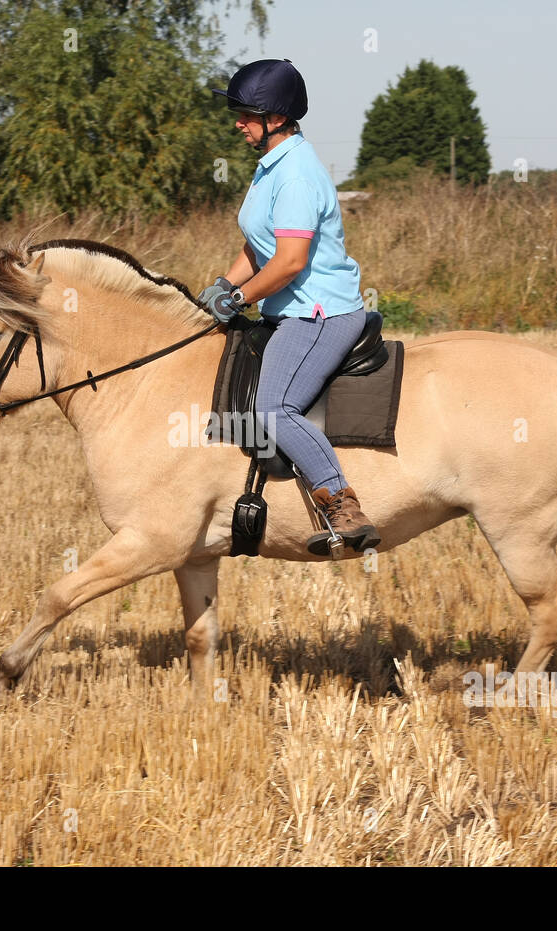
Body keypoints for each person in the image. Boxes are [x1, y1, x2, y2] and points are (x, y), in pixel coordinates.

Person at [198, 58, 380, 557]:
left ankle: (342, 504)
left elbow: (291, 261)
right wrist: (218, 287)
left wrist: (239, 298)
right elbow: (258, 247)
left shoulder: (296, 175)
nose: (238, 121)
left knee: (274, 407)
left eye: (246, 113)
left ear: (275, 118)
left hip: (319, 313)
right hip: (287, 307)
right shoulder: (269, 168)